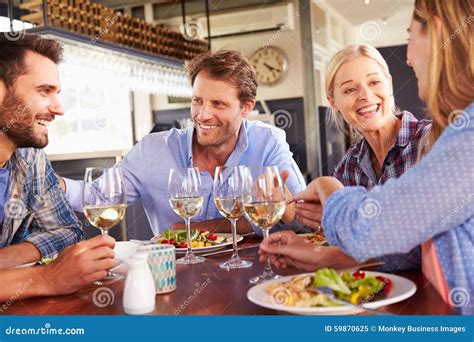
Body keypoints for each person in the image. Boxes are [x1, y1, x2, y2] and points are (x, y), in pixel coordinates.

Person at [260, 0, 473, 315]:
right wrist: (293, 216)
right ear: (333, 102)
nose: (409, 56)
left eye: (409, 35)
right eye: (349, 90)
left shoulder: (449, 142)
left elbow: (375, 230)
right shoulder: (352, 161)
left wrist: (327, 189)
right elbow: (337, 229)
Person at [61, 50, 306, 236]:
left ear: (246, 108)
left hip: (252, 276)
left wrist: (200, 228)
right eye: (197, 101)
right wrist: (52, 182)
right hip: (175, 283)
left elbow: (300, 218)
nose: (202, 114)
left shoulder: (267, 143)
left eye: (217, 104)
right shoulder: (153, 150)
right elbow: (98, 197)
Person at [275, 45, 433, 272]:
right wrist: (288, 209)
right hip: (373, 295)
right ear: (333, 102)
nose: (365, 96)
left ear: (389, 84)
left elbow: (427, 239)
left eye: (374, 82)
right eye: (349, 90)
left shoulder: (432, 142)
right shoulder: (349, 165)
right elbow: (331, 234)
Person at [0, 34, 115, 300]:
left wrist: (6, 260)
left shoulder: (30, 158)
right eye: (44, 91)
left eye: (57, 93)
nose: (59, 109)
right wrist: (46, 278)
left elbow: (68, 231)